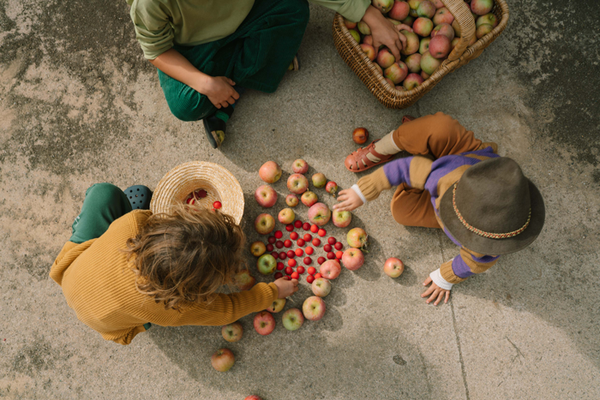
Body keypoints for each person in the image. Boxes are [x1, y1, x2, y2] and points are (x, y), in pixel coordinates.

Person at [126, 0, 411, 148]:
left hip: (249, 13)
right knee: (185, 103)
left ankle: (236, 84)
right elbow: (157, 50)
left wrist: (371, 16)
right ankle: (255, 69)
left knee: (293, 9)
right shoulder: (150, 3)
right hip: (193, 44)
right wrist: (206, 83)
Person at [334, 113, 545, 305]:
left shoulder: (493, 241)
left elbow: (473, 262)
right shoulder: (447, 177)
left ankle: (423, 154)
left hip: (451, 199)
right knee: (438, 127)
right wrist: (363, 190)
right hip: (464, 160)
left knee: (401, 210)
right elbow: (404, 169)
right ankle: (388, 146)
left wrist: (444, 277)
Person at [50, 183, 298, 345]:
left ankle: (86, 229)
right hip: (111, 321)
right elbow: (228, 309)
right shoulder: (173, 308)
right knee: (148, 316)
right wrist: (272, 292)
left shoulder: (133, 223)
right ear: (197, 289)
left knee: (104, 193)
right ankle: (139, 317)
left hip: (73, 273)